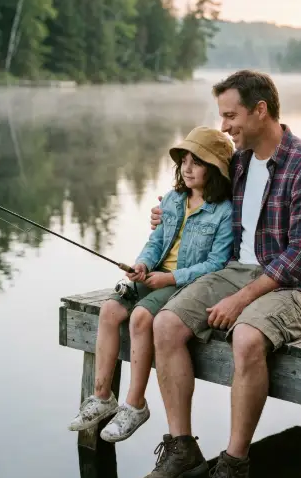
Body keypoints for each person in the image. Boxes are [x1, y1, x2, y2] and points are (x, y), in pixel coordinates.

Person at [135, 70, 301, 478]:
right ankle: (182, 446)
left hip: (300, 285)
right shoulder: (242, 161)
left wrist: (241, 299)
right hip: (237, 269)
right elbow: (201, 202)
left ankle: (234, 465)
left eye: (231, 116)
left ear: (260, 110)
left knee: (247, 337)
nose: (225, 127)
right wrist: (166, 214)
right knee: (165, 323)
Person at [68, 126, 235, 443]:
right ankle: (102, 398)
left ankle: (135, 405)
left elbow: (216, 264)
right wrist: (142, 264)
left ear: (214, 169)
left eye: (196, 162)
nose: (187, 168)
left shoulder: (223, 212)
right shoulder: (173, 200)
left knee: (142, 317)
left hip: (184, 283)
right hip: (155, 274)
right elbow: (155, 242)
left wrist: (169, 278)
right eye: (184, 160)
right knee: (109, 311)